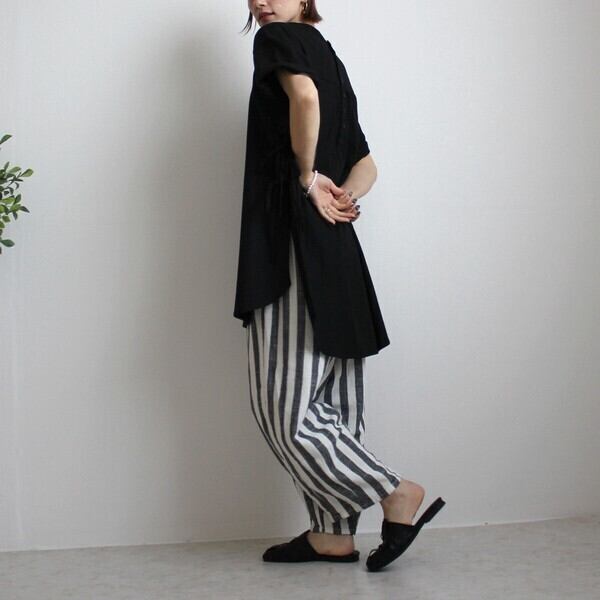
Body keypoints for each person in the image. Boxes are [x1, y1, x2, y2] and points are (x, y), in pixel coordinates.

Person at [234, 1, 445, 571]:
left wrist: (307, 179)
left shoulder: (276, 39)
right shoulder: (332, 59)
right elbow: (366, 163)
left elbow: (303, 99)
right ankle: (332, 536)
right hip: (336, 248)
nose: (260, 2)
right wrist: (342, 196)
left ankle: (393, 491)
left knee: (283, 406)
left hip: (290, 241)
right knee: (334, 402)